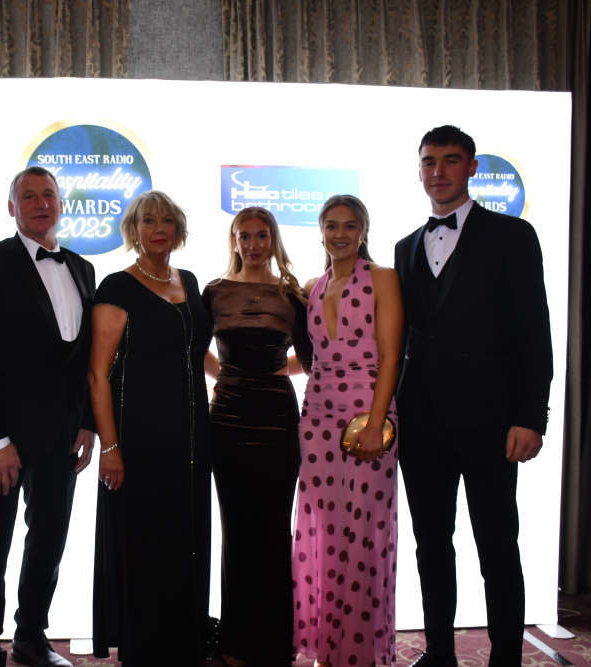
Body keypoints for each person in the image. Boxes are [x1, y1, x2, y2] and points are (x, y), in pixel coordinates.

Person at [394, 125, 552, 667]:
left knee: (497, 546)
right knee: (431, 546)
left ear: (472, 167)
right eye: (429, 161)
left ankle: (505, 658)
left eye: (451, 159)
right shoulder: (405, 248)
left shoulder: (513, 235)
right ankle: (439, 652)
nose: (438, 171)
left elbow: (534, 331)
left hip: (492, 423)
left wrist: (531, 416)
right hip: (421, 426)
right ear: (419, 169)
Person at [0, 166, 96, 667]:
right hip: (2, 440)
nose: (40, 203)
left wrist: (88, 422)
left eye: (48, 195)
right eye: (28, 196)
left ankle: (31, 636)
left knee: (49, 540)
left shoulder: (82, 268)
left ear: (61, 204)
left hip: (63, 436)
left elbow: (86, 358)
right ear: (11, 207)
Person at [90, 191, 213, 667]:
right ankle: (145, 650)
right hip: (139, 437)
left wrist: (246, 374)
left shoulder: (190, 281)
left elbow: (194, 350)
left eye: (166, 220)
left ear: (178, 228)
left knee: (186, 539)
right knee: (146, 542)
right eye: (148, 220)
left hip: (192, 435)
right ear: (133, 230)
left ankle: (183, 643)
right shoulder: (118, 286)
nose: (158, 228)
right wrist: (110, 447)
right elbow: (97, 374)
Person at [292, 194, 403, 667]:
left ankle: (359, 651)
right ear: (320, 231)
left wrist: (377, 424)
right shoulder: (312, 287)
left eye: (350, 225)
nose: (340, 234)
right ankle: (328, 647)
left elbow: (392, 355)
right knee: (325, 532)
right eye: (332, 225)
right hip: (316, 417)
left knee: (364, 533)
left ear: (363, 231)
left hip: (369, 417)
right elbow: (316, 357)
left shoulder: (383, 278)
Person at [202, 206, 313, 667]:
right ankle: (236, 643)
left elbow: (310, 359)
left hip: (277, 421)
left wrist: (271, 371)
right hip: (227, 420)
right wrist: (229, 375)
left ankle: (273, 645)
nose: (252, 244)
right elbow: (194, 351)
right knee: (236, 531)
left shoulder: (292, 294)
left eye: (261, 235)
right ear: (233, 240)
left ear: (273, 239)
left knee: (272, 531)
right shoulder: (214, 292)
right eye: (244, 235)